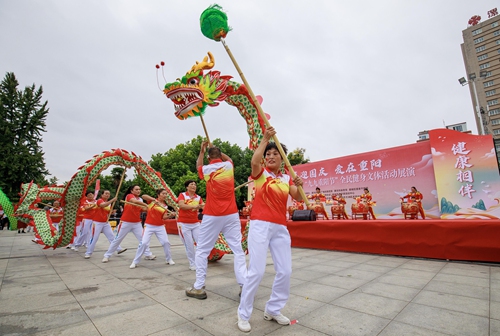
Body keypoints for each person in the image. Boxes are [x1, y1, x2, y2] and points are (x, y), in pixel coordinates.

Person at [237, 126, 303, 332]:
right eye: (269, 154)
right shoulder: (261, 174)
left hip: (280, 228)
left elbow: (297, 196)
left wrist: (300, 185)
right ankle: (243, 314)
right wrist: (265, 140)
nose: (271, 156)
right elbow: (254, 161)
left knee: (285, 270)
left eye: (276, 154)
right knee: (256, 271)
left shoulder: (286, 178)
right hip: (260, 225)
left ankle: (273, 309)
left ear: (282, 159)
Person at [185, 141, 247, 300]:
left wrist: (202, 151)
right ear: (221, 156)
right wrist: (216, 151)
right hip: (231, 214)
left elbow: (198, 166)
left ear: (208, 157)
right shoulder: (229, 166)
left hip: (212, 214)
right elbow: (230, 159)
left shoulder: (206, 169)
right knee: (238, 250)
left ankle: (199, 287)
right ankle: (244, 285)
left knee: (202, 250)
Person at [102, 185, 155, 263]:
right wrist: (145, 205)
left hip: (136, 223)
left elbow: (142, 209)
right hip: (125, 222)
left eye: (139, 189)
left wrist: (150, 208)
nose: (138, 191)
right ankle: (107, 255)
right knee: (118, 239)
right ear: (132, 191)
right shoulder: (129, 196)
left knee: (143, 239)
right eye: (136, 189)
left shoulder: (140, 199)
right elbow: (134, 201)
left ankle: (148, 254)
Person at [129, 189, 175, 268]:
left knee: (166, 242)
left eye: (166, 194)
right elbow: (143, 196)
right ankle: (135, 261)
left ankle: (169, 259)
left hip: (160, 226)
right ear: (158, 194)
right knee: (144, 243)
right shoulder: (151, 201)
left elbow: (163, 217)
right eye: (163, 193)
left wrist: (170, 215)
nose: (165, 195)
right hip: (149, 226)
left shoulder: (165, 206)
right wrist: (153, 199)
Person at [84, 190, 127, 259]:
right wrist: (112, 200)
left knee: (112, 236)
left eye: (109, 194)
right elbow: (102, 205)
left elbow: (108, 212)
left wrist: (112, 212)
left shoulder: (109, 203)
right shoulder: (99, 201)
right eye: (106, 193)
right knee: (94, 238)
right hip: (97, 222)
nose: (107, 195)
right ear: (102, 195)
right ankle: (88, 253)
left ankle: (118, 249)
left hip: (105, 223)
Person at [177, 180, 204, 271]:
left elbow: (203, 206)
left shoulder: (198, 197)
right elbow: (182, 206)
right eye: (191, 184)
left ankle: (200, 261)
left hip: (195, 223)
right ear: (187, 187)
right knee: (189, 245)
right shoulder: (183, 195)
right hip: (183, 224)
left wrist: (204, 205)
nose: (193, 186)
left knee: (200, 243)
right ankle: (192, 264)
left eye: (195, 185)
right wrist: (194, 207)